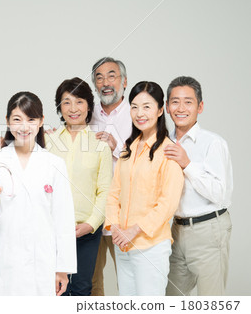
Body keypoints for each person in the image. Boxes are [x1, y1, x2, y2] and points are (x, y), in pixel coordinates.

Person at [0, 92, 77, 295]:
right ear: (8, 122)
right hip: (5, 259)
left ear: (41, 122)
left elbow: (63, 219)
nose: (24, 127)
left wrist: (62, 269)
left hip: (42, 262)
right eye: (17, 119)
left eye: (31, 119)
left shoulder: (54, 164)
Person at [104, 81, 184, 296]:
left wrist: (133, 230)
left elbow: (167, 204)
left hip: (151, 247)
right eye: (134, 106)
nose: (140, 113)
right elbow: (114, 193)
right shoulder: (128, 149)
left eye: (147, 106)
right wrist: (116, 227)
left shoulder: (169, 151)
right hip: (123, 245)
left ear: (160, 110)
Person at [164, 76, 233, 296]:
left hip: (208, 230)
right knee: (171, 298)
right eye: (175, 101)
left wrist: (187, 164)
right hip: (175, 231)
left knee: (210, 301)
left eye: (188, 102)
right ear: (166, 107)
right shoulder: (163, 142)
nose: (181, 108)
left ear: (200, 106)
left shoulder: (213, 143)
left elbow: (220, 194)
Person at [46, 77, 112, 295]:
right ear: (59, 107)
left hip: (86, 231)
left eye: (79, 101)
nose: (73, 108)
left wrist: (91, 224)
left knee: (82, 289)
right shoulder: (47, 142)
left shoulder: (100, 144)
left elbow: (104, 191)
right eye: (66, 102)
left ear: (89, 106)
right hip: (52, 230)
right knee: (53, 290)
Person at [90, 57, 132, 296]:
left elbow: (146, 159)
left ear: (124, 81)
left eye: (112, 76)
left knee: (128, 281)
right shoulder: (85, 113)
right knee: (92, 282)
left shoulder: (136, 113)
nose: (106, 82)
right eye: (99, 77)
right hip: (93, 211)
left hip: (125, 212)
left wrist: (117, 147)